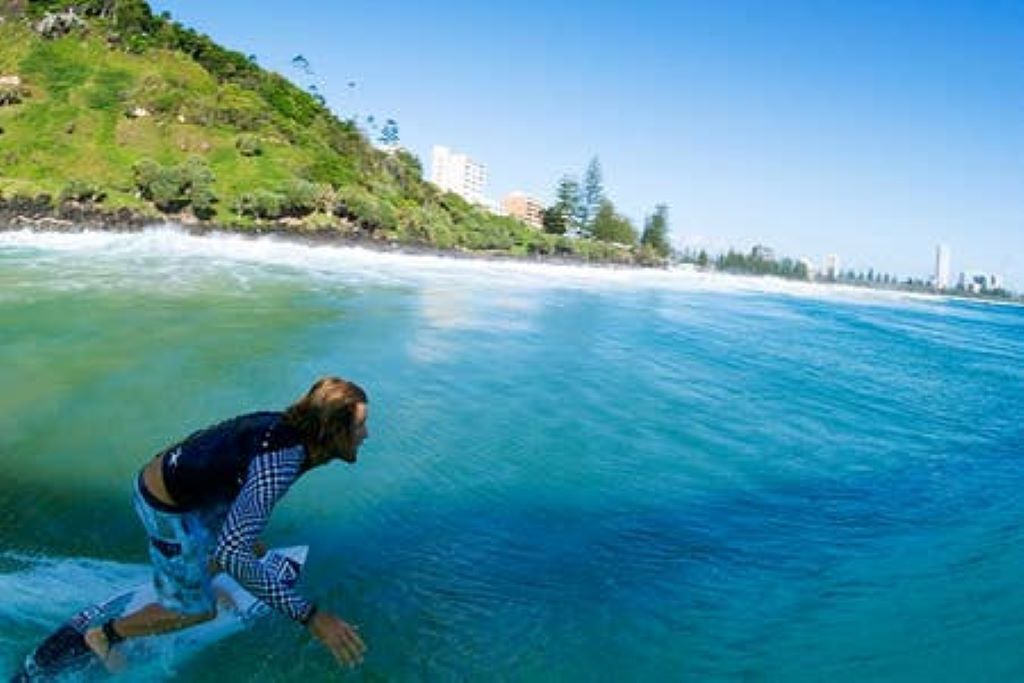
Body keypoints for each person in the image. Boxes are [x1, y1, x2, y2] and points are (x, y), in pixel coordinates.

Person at [83, 376, 369, 670]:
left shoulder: (287, 427)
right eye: (359, 426)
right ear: (333, 430)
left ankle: (197, 575)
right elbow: (233, 553)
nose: (366, 434)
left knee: (251, 548)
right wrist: (311, 617)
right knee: (201, 610)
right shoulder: (281, 463)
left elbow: (215, 450)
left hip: (196, 494)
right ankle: (106, 635)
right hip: (165, 506)